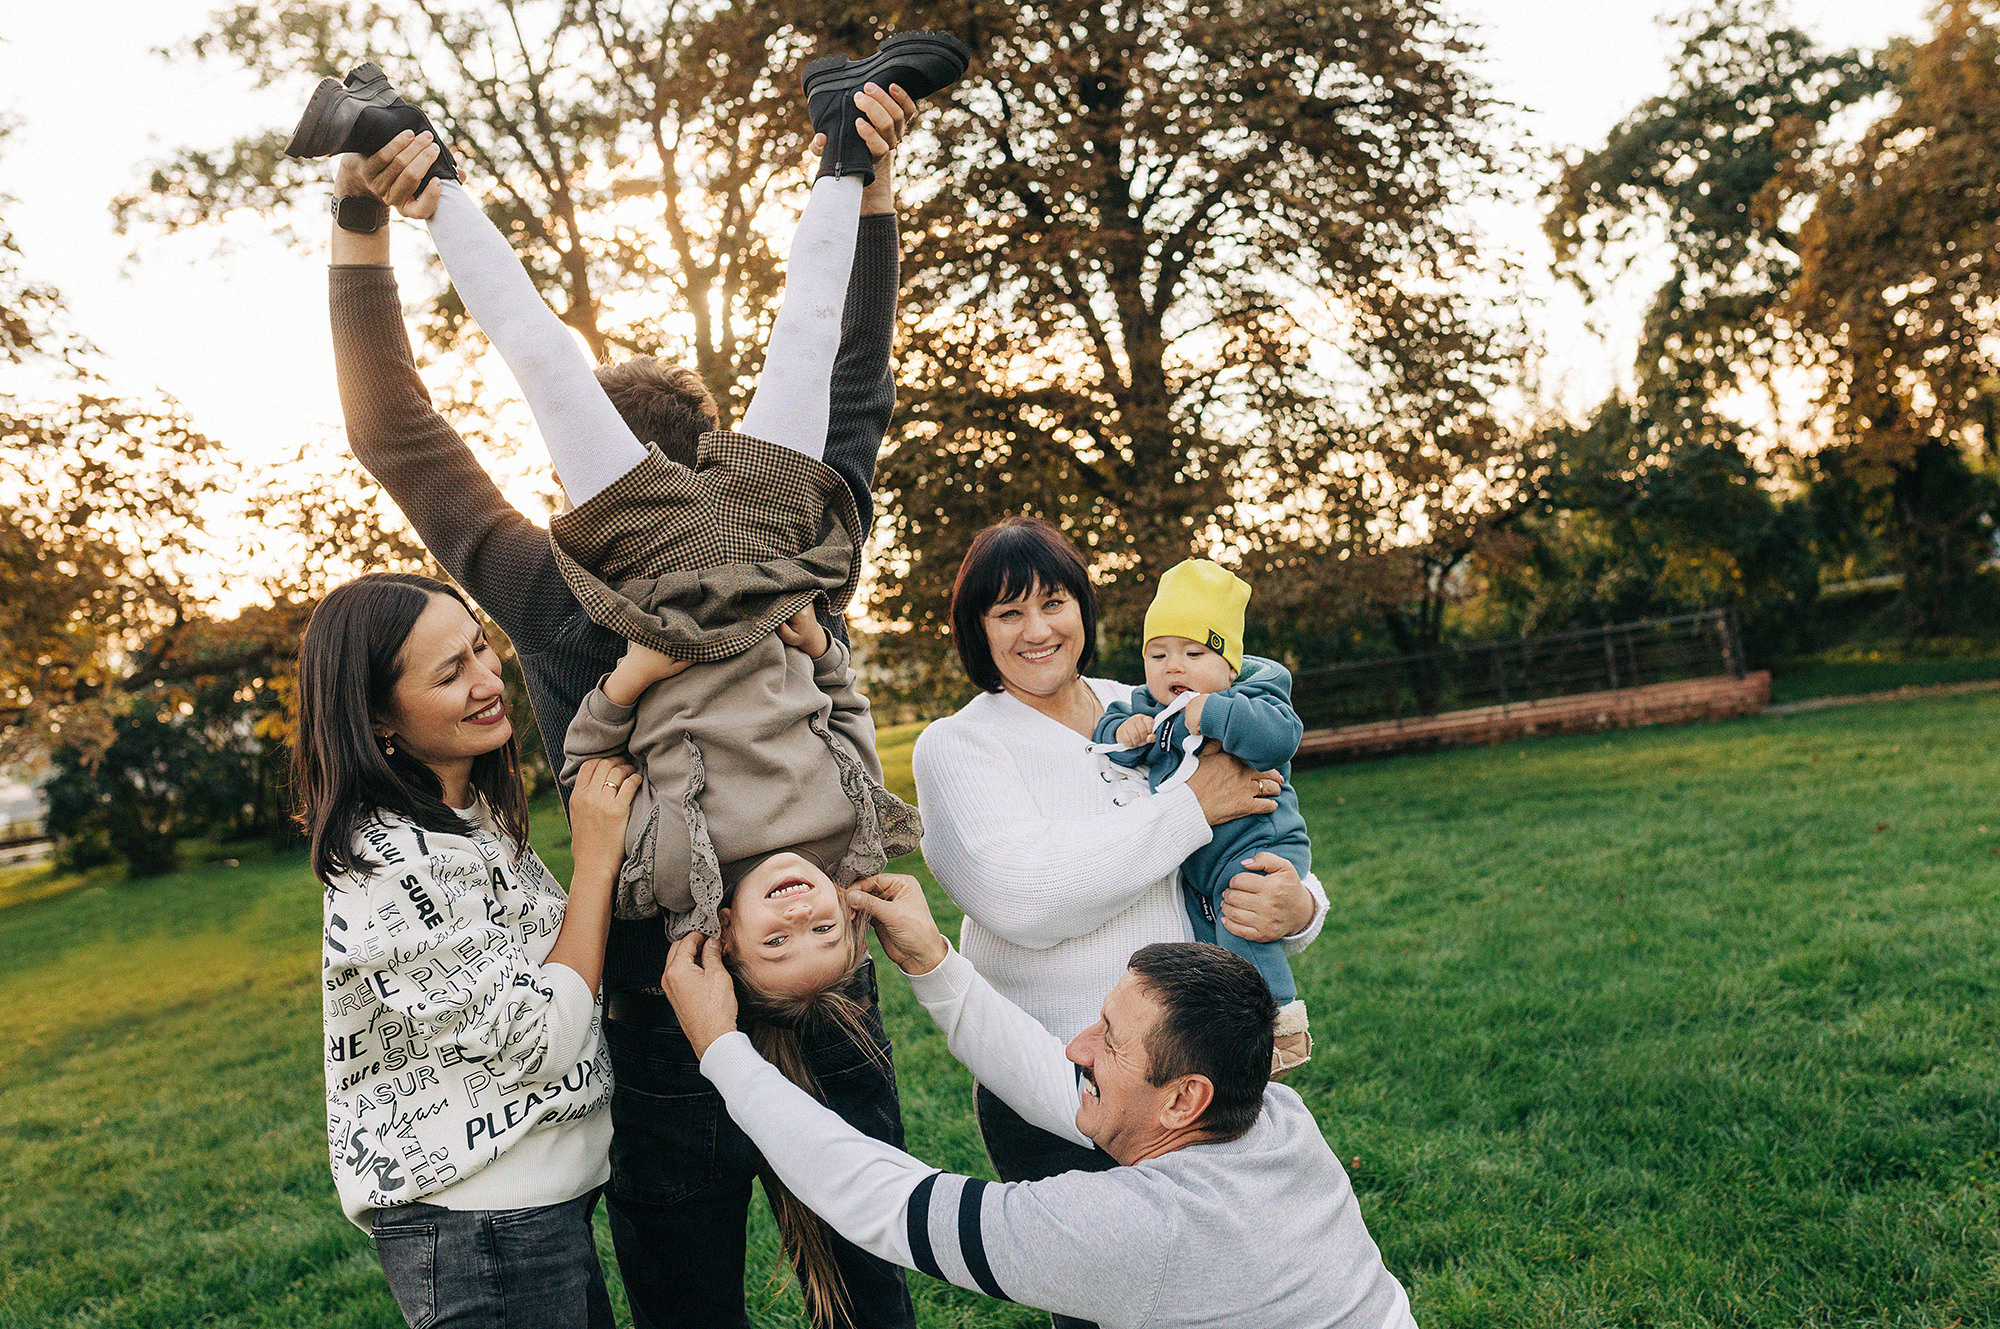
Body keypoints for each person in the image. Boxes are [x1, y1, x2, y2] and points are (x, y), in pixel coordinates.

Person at [307, 48, 931, 1329]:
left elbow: (394, 431)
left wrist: (363, 220)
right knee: (869, 1279)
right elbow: (847, 382)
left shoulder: (554, 590)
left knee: (688, 1301)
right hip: (822, 964)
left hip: (663, 1004)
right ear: (721, 462)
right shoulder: (800, 562)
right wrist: (866, 181)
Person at [657, 873, 1418, 1329]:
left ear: (1186, 1096)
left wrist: (722, 1047)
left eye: (1110, 1039)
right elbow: (1061, 1085)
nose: (1077, 1046)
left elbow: (885, 1202)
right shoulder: (1274, 1117)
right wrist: (933, 962)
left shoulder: (1129, 1229)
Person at [910, 516, 1329, 1315]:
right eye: (1007, 613)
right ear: (976, 630)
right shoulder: (958, 747)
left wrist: (1302, 906)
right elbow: (1024, 897)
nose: (1038, 630)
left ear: (1085, 607)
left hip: (1199, 1066)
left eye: (1053, 601)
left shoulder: (1143, 701)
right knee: (1117, 1305)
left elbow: (1257, 818)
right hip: (1064, 1085)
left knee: (1235, 1295)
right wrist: (1188, 811)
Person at [296, 571, 639, 1329]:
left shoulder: (469, 816)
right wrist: (595, 862)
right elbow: (536, 1036)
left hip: (532, 1210)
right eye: (451, 673)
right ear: (379, 715)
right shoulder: (387, 864)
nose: (488, 680)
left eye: (482, 647)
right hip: (482, 1227)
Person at [1091, 558, 1314, 1075]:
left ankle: (1283, 1028)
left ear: (1229, 666)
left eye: (1194, 653)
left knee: (1244, 924)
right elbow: (1109, 738)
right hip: (1194, 865)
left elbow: (1281, 737)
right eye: (1158, 653)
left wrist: (1213, 713)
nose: (1174, 667)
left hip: (1256, 846)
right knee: (1207, 957)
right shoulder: (1145, 704)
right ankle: (1226, 1041)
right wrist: (1124, 735)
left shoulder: (1253, 695)